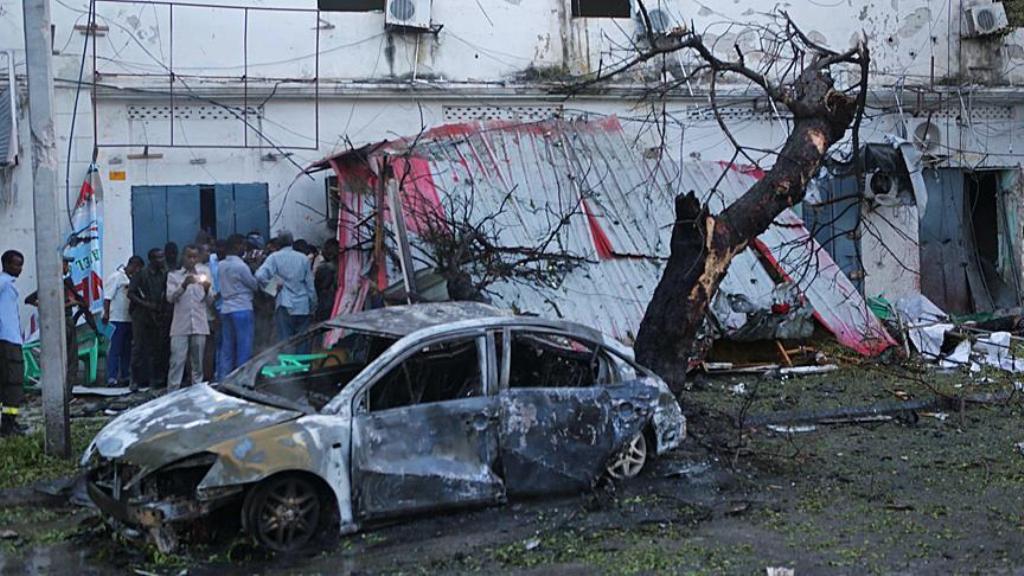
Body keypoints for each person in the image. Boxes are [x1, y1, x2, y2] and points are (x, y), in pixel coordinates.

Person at [26, 257, 100, 391]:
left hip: (66, 322)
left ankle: (65, 390)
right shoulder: (55, 284)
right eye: (66, 264)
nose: (68, 267)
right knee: (69, 360)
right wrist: (69, 304)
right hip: (62, 323)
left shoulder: (64, 283)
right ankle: (64, 391)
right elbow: (30, 300)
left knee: (68, 359)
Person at [256, 232, 316, 351]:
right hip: (303, 306)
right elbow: (310, 285)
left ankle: (287, 368)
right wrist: (313, 305)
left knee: (285, 342)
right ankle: (302, 368)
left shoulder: (274, 258)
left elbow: (259, 276)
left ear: (278, 243)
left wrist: (272, 287)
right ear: (292, 242)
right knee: (302, 341)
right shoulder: (303, 258)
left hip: (284, 303)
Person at [166, 245, 214, 390]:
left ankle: (197, 392)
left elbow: (210, 301)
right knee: (177, 361)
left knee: (198, 363)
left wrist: (206, 289)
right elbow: (170, 298)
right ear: (183, 257)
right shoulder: (174, 275)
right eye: (189, 256)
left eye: (195, 257)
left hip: (199, 324)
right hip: (180, 326)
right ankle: (172, 392)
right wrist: (183, 285)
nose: (192, 260)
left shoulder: (205, 272)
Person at [128, 248, 169, 390]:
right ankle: (134, 380)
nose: (162, 260)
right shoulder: (141, 274)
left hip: (157, 315)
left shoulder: (164, 274)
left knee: (156, 349)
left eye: (162, 257)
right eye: (158, 258)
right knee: (138, 348)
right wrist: (146, 305)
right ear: (151, 260)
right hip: (141, 315)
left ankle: (153, 380)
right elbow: (131, 294)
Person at [219, 234, 259, 375]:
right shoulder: (241, 266)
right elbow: (254, 285)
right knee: (244, 347)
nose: (245, 248)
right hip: (242, 308)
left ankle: (223, 379)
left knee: (227, 348)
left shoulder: (221, 265)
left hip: (226, 308)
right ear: (237, 246)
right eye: (243, 245)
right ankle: (241, 380)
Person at [103, 256, 144, 386]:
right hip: (116, 318)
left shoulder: (131, 279)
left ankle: (125, 375)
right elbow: (108, 297)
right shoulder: (116, 277)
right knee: (115, 349)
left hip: (128, 319)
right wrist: (106, 314)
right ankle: (112, 377)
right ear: (134, 266)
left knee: (127, 349)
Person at [0, 251, 25, 436]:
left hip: (11, 339)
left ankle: (10, 423)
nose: (20, 269)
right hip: (8, 340)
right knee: (13, 383)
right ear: (6, 264)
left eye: (21, 264)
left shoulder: (8, 285)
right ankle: (8, 425)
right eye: (16, 264)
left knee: (10, 384)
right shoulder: (3, 283)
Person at [315, 239, 340, 322]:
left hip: (325, 301)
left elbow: (317, 287)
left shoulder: (323, 268)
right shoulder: (344, 267)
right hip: (340, 302)